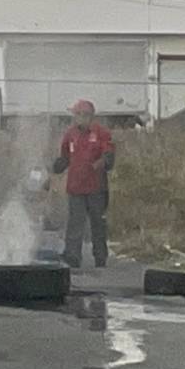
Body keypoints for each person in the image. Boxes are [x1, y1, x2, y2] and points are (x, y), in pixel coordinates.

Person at [51, 99, 114, 268]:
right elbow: (65, 158)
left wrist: (101, 162)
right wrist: (56, 167)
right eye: (77, 115)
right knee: (75, 223)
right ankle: (73, 257)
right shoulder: (70, 134)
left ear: (90, 116)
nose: (80, 118)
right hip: (76, 187)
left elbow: (109, 156)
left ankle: (100, 257)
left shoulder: (101, 133)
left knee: (98, 224)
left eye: (83, 115)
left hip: (96, 188)